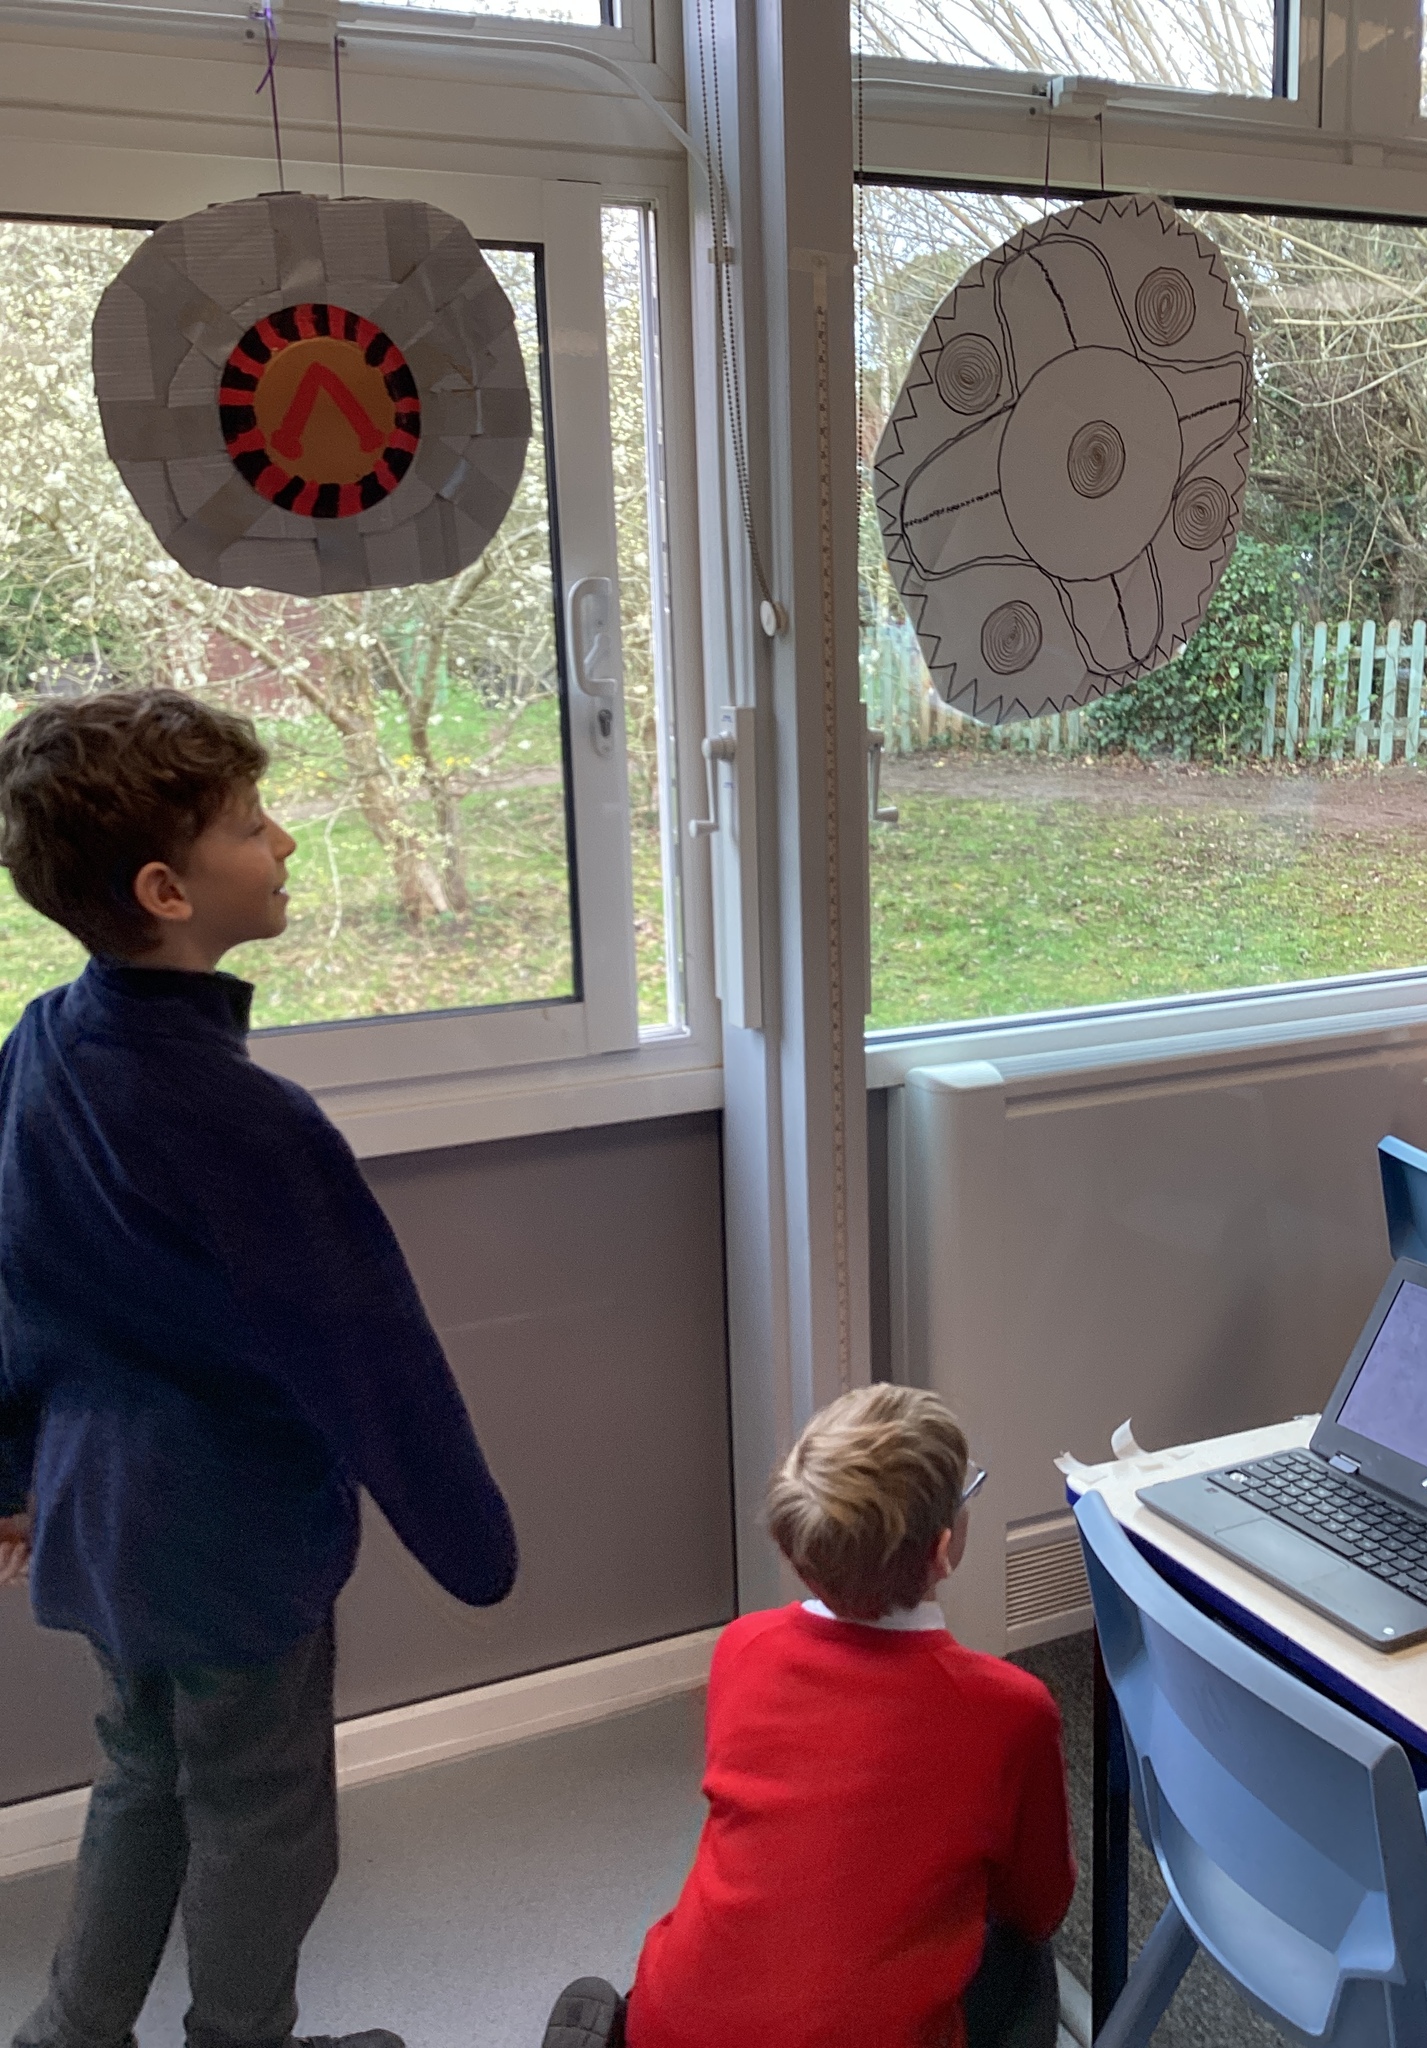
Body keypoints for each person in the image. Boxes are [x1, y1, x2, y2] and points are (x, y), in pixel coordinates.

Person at [0, 690, 517, 2048]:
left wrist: (6, 1475)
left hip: (97, 1521)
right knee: (261, 1812)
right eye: (249, 823)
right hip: (226, 1541)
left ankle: (70, 2029)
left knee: (141, 1776)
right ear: (165, 890)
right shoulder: (248, 1121)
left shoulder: (41, 1041)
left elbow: (7, 1278)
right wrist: (472, 1540)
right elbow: (375, 1356)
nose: (283, 841)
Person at [543, 1384, 1074, 2048]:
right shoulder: (1010, 1710)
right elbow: (1039, 1903)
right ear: (942, 1550)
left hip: (669, 2022)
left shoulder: (744, 1647)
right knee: (1024, 1958)